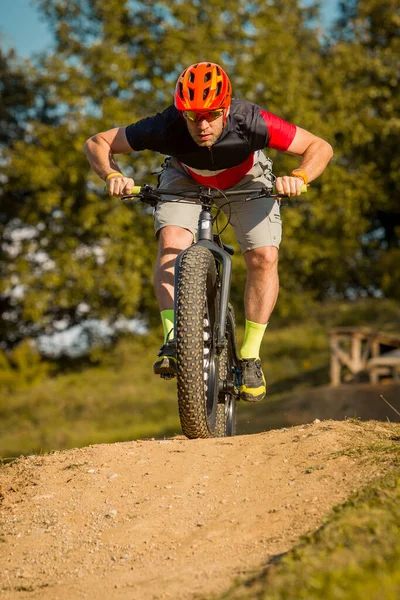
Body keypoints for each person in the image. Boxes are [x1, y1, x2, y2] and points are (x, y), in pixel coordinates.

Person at [84, 61, 333, 402]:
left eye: (212, 114)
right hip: (185, 179)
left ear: (227, 108)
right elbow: (97, 142)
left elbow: (319, 147)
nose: (201, 124)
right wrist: (113, 176)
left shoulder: (251, 120)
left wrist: (299, 177)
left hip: (247, 179)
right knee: (172, 244)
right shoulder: (165, 125)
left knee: (263, 257)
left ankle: (250, 357)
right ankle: (174, 339)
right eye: (191, 116)